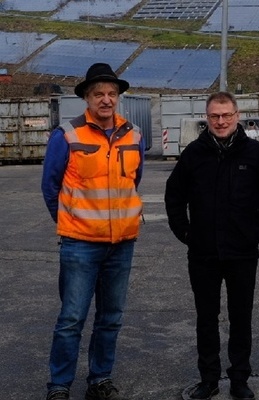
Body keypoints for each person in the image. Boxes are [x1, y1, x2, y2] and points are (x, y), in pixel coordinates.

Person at [41, 63, 144, 400]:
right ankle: (59, 386)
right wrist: (72, 223)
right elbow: (50, 186)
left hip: (122, 244)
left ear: (119, 97)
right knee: (71, 319)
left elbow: (134, 182)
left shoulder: (134, 135)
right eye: (98, 93)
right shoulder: (67, 135)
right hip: (80, 245)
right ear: (86, 97)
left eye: (112, 93)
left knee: (111, 318)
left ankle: (100, 379)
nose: (106, 99)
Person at [164, 91, 259, 400]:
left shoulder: (255, 153)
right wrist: (185, 232)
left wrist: (258, 232)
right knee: (206, 318)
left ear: (237, 116)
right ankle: (209, 379)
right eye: (215, 116)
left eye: (226, 115)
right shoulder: (194, 154)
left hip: (242, 252)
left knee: (241, 318)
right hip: (203, 253)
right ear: (207, 118)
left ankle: (240, 378)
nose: (221, 121)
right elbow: (174, 196)